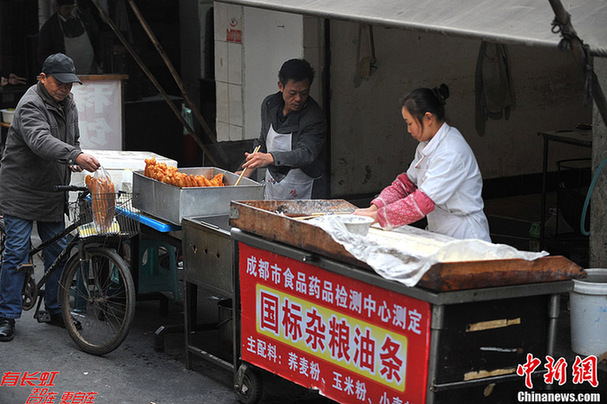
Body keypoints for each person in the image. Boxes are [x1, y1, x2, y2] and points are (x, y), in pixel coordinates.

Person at [0, 53, 101, 342]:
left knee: (58, 251)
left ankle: (56, 310)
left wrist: (73, 155)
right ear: (42, 79)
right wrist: (74, 155)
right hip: (20, 189)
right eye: (60, 83)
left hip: (51, 189)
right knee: (18, 252)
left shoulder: (68, 103)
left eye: (70, 85)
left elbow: (73, 140)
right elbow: (40, 141)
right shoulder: (30, 104)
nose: (66, 90)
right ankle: (6, 314)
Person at [355, 84, 491, 242]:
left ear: (428, 118)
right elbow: (406, 184)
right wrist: (374, 207)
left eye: (410, 123)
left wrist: (376, 217)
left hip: (464, 235)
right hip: (440, 231)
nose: (408, 129)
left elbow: (422, 202)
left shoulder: (450, 151)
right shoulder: (427, 144)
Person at [238, 58, 327, 200]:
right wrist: (247, 169)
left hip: (305, 187)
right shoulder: (269, 105)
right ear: (281, 86)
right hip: (274, 184)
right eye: (292, 93)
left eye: (304, 93)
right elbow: (263, 140)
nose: (298, 98)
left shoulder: (314, 117)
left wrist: (270, 158)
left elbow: (306, 154)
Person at [37, 0, 102, 74]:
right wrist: (52, 71)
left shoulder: (86, 19)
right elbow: (42, 53)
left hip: (90, 69)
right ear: (58, 8)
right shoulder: (50, 27)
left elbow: (96, 41)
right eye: (67, 8)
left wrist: (100, 60)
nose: (71, 11)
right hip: (65, 74)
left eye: (73, 8)